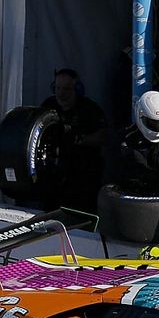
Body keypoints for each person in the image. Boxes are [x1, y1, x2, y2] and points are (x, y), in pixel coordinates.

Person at [40, 68, 108, 211]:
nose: (61, 93)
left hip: (83, 171)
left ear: (77, 89)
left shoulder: (89, 109)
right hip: (54, 171)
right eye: (57, 88)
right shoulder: (48, 106)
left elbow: (103, 137)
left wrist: (78, 140)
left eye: (66, 89)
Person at [119, 90, 159, 191]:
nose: (157, 128)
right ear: (140, 116)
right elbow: (136, 169)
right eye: (153, 123)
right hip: (138, 193)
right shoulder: (129, 139)